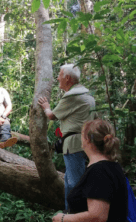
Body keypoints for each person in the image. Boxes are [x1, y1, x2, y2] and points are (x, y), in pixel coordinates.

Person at [38, 64, 96, 210]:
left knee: (74, 183)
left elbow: (52, 116)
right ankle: (71, 212)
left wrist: (45, 106)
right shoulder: (87, 96)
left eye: (60, 75)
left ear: (68, 78)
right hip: (86, 143)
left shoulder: (72, 96)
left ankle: (75, 215)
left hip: (74, 144)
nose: (58, 78)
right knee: (73, 180)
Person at [52, 119, 127, 222]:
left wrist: (64, 218)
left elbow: (97, 217)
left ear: (87, 139)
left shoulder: (99, 171)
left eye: (81, 134)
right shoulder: (112, 166)